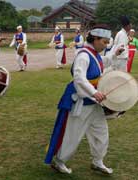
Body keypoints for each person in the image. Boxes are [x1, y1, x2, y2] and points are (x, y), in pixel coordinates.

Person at [45, 24, 124, 175]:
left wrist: (114, 55)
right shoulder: (83, 55)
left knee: (101, 132)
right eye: (104, 42)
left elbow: (102, 62)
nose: (106, 45)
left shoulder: (93, 53)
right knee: (73, 134)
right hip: (80, 102)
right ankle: (59, 161)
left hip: (94, 103)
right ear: (95, 38)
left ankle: (98, 161)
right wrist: (94, 92)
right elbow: (79, 78)